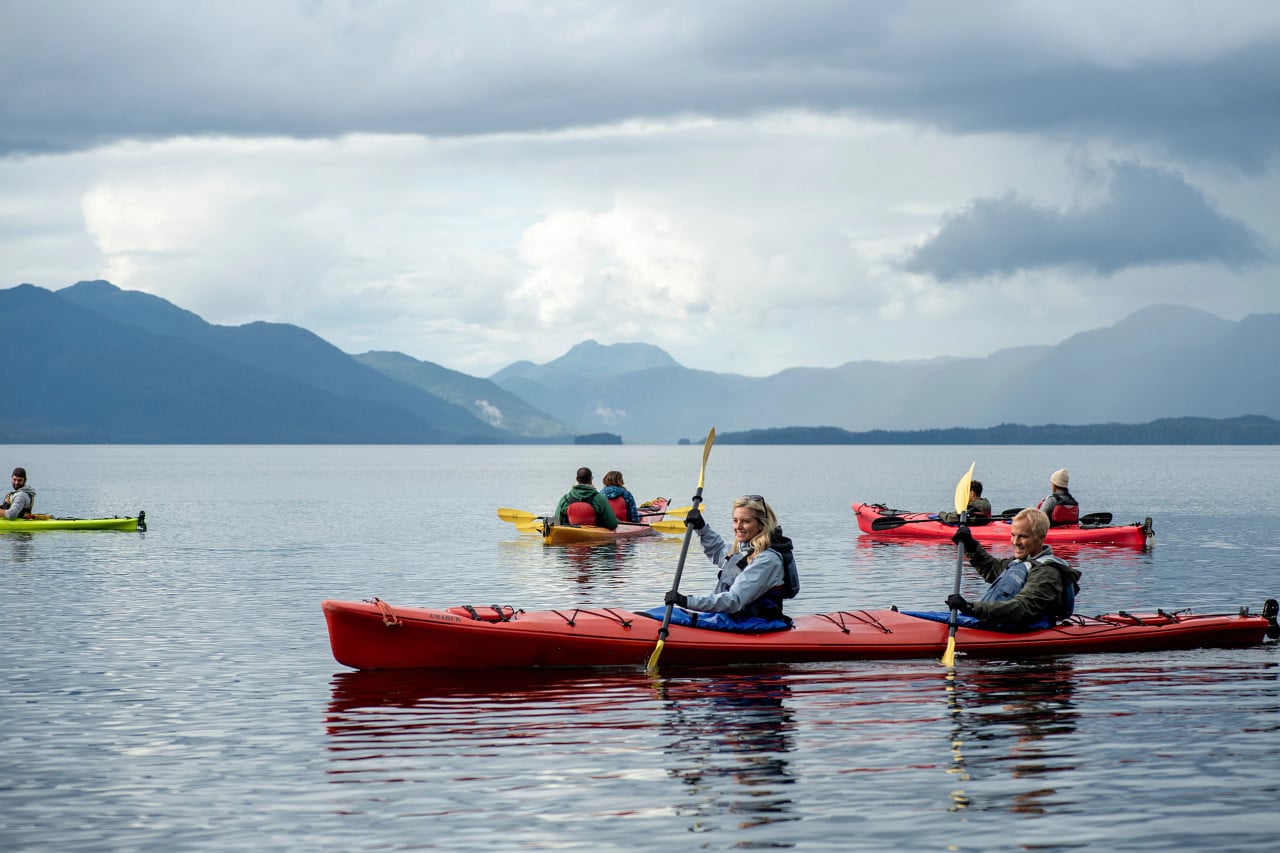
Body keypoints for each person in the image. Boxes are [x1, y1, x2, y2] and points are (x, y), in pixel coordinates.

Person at [664, 495, 797, 624]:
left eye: (745, 521)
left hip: (753, 623)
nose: (738, 526)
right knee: (661, 613)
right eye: (735, 520)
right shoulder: (745, 549)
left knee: (668, 616)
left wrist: (686, 601)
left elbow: (734, 600)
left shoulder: (767, 561)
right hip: (732, 618)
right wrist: (702, 528)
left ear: (762, 524)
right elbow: (719, 552)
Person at [946, 508, 1081, 630]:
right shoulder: (1020, 562)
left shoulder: (1047, 572)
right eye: (1013, 535)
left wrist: (971, 608)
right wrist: (970, 545)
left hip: (1024, 628)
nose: (1015, 542)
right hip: (998, 622)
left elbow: (1022, 607)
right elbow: (992, 568)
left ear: (1040, 538)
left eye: (1023, 536)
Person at [554, 467, 618, 529]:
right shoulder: (600, 499)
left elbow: (556, 522)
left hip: (570, 532)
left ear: (577, 479)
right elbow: (612, 524)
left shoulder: (565, 499)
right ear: (590, 479)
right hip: (595, 533)